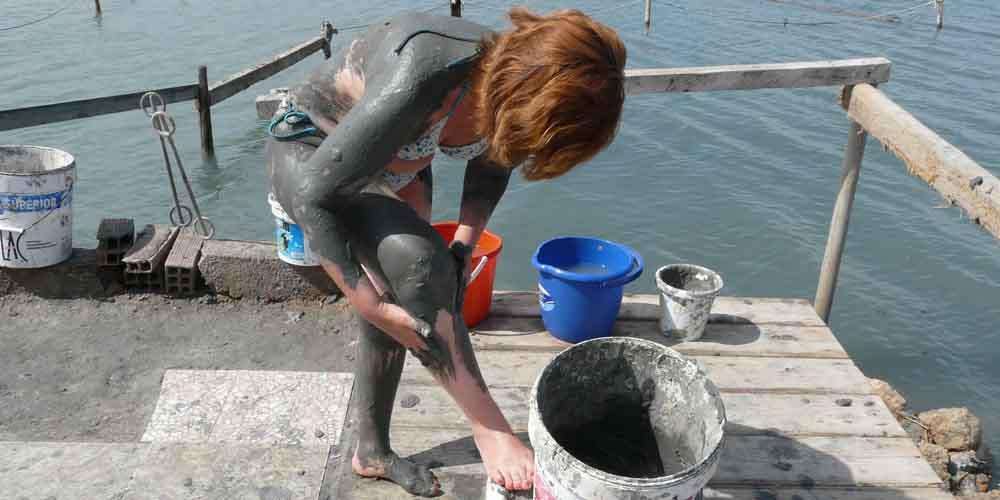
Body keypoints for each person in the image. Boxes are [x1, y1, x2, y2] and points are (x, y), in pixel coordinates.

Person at [267, 7, 626, 496]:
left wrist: (464, 246)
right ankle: (491, 429)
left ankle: (371, 452)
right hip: (311, 151)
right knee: (416, 266)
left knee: (412, 286)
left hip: (396, 160)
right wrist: (367, 303)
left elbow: (497, 155)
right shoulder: (427, 74)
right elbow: (315, 194)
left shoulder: (510, 82)